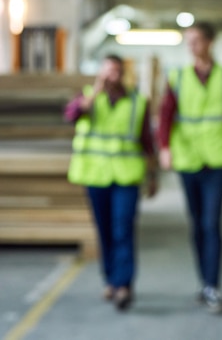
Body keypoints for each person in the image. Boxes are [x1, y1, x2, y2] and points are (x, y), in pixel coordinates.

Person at [158, 21, 222, 313]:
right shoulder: (178, 77)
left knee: (211, 223)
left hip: (218, 159)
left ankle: (213, 286)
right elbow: (166, 114)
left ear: (210, 42)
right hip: (188, 159)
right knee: (197, 225)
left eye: (196, 40)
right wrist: (166, 148)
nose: (191, 45)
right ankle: (204, 282)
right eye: (188, 41)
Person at [66, 54, 158, 311]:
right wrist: (95, 92)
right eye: (107, 72)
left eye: (116, 71)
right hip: (96, 176)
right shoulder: (88, 98)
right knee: (105, 229)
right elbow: (72, 115)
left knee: (123, 228)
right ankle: (110, 279)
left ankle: (124, 285)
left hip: (127, 176)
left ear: (124, 74)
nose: (112, 77)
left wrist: (153, 176)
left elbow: (147, 142)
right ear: (100, 73)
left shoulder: (138, 102)